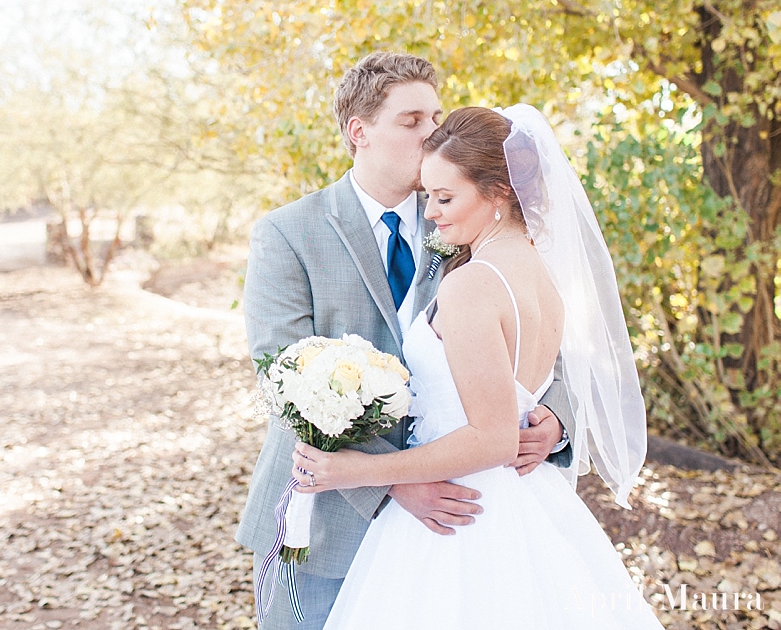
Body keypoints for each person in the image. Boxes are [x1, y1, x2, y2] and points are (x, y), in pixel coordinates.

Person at [237, 53, 575, 629]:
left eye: (437, 118)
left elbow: (538, 336)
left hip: (461, 518)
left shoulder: (467, 219)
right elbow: (283, 381)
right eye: (413, 120)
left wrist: (554, 415)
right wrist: (398, 483)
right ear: (359, 132)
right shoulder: (288, 234)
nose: (432, 134)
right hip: (329, 522)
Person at [290, 105, 662, 628]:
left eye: (445, 197)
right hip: (527, 499)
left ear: (498, 193)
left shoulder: (469, 286)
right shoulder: (542, 271)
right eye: (429, 195)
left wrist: (361, 471)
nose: (432, 213)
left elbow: (492, 439)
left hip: (459, 512)